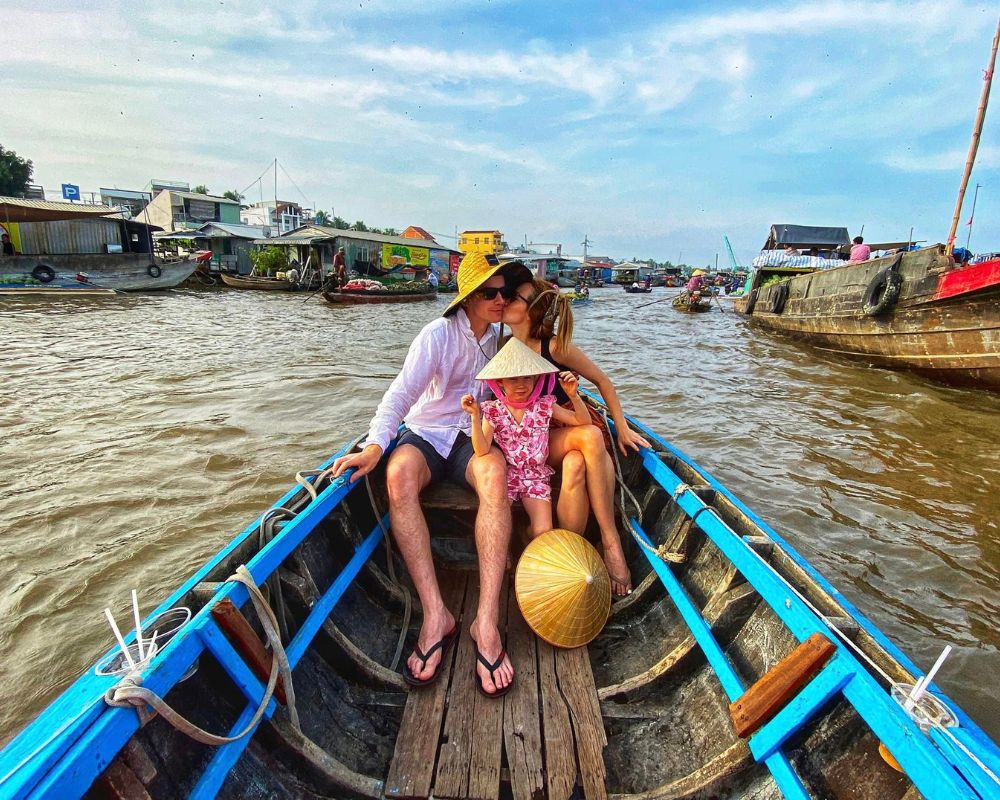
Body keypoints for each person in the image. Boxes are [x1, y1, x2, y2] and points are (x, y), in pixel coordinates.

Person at [331, 252, 527, 696]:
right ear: (469, 297)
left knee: (497, 479)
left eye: (505, 293)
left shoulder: (501, 342)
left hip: (472, 438)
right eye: (490, 293)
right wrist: (376, 445)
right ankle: (436, 613)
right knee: (397, 477)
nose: (500, 301)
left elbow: (535, 370)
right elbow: (400, 394)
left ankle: (486, 622)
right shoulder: (438, 334)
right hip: (427, 432)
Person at [502, 278, 651, 596]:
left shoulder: (554, 347)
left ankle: (588, 550)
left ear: (531, 311)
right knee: (591, 439)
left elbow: (602, 380)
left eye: (512, 296)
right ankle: (608, 542)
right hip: (537, 434)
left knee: (575, 462)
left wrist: (622, 428)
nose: (503, 299)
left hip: (570, 422)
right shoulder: (503, 346)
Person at [463, 339, 590, 539]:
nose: (521, 385)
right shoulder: (493, 410)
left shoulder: (544, 405)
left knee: (542, 531)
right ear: (500, 382)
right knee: (498, 524)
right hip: (507, 476)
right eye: (513, 379)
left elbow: (581, 420)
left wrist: (574, 396)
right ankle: (506, 549)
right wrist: (474, 417)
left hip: (536, 476)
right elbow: (481, 450)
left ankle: (526, 535)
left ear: (535, 380)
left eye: (527, 378)